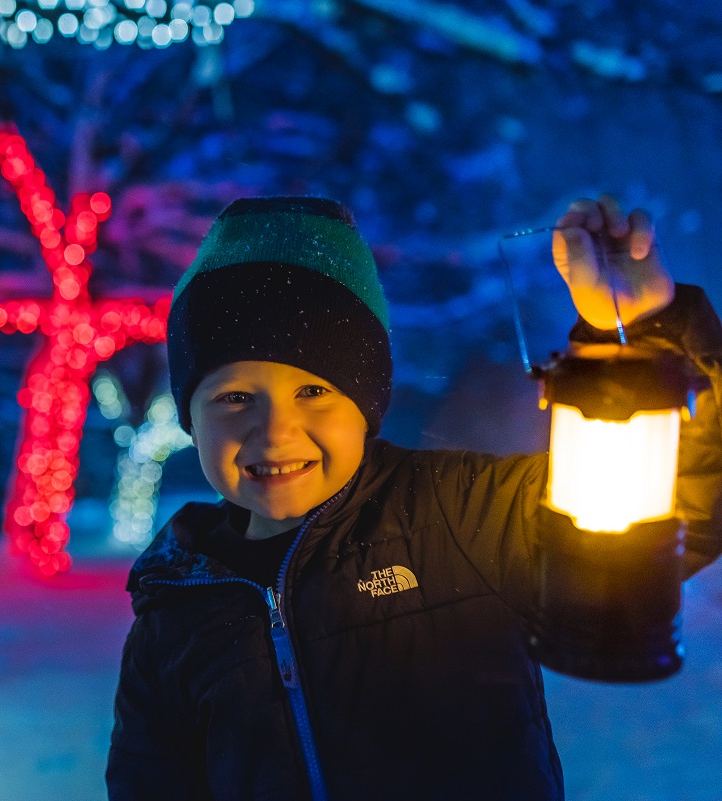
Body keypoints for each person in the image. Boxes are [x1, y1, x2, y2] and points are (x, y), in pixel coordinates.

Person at [105, 195, 722, 800]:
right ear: (190, 416)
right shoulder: (174, 609)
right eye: (235, 397)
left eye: (314, 390)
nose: (275, 433)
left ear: (366, 405)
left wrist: (650, 332)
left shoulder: (462, 514)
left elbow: (694, 499)